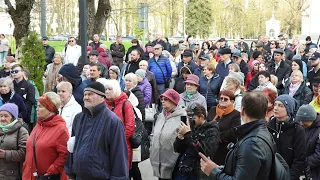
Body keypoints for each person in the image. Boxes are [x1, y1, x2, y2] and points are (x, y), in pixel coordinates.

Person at [200, 91, 275, 180]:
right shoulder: (262, 132)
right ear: (266, 113)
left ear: (242, 111)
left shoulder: (252, 144)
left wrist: (213, 172)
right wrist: (220, 169)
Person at [65, 82, 128, 180]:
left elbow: (119, 155)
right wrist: (70, 173)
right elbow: (72, 147)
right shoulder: (79, 118)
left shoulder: (113, 121)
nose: (86, 97)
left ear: (102, 97)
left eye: (90, 94)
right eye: (85, 94)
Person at [22, 92, 69, 180]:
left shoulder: (60, 129)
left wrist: (51, 171)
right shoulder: (39, 125)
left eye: (40, 106)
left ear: (50, 108)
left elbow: (65, 155)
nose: (36, 109)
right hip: (29, 175)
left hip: (46, 177)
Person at [173, 103, 220, 180]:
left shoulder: (212, 130)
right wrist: (180, 138)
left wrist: (188, 134)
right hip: (182, 169)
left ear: (201, 117)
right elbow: (177, 149)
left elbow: (205, 152)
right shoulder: (191, 127)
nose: (190, 121)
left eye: (192, 119)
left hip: (197, 172)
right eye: (188, 118)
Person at [101, 79, 136, 178]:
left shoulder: (126, 104)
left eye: (110, 89)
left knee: (121, 171)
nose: (107, 91)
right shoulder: (104, 104)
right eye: (106, 89)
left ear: (116, 90)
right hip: (106, 145)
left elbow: (130, 126)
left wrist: (117, 141)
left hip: (122, 145)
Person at [150, 89, 187, 180]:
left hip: (172, 163)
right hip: (158, 161)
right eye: (162, 99)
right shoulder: (160, 116)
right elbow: (153, 133)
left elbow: (184, 140)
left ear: (174, 101)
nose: (162, 101)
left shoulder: (182, 118)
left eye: (166, 99)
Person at [268, 94, 307, 180]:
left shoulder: (297, 130)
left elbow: (299, 159)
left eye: (280, 106)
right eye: (275, 104)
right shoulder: (268, 126)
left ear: (288, 109)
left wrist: (290, 178)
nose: (275, 108)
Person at [206, 90, 241, 165]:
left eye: (225, 99)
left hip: (223, 149)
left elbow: (233, 132)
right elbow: (207, 123)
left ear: (232, 101)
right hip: (208, 146)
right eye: (221, 98)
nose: (222, 100)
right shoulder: (213, 109)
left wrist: (216, 138)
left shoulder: (236, 114)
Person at [0, 103, 29, 180]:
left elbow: (24, 153)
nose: (2, 118)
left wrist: (5, 154)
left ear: (13, 117)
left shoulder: (22, 131)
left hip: (12, 175)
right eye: (1, 115)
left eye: (6, 116)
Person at [296, 105, 320, 180]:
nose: (301, 123)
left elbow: (318, 156)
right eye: (300, 120)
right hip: (305, 170)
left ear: (312, 119)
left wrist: (302, 163)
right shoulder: (304, 127)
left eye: (304, 121)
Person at [11, 64, 36, 128]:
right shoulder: (9, 85)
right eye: (12, 71)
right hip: (10, 116)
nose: (14, 73)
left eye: (16, 71)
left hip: (23, 119)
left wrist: (21, 115)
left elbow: (30, 102)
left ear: (22, 72)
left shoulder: (29, 86)